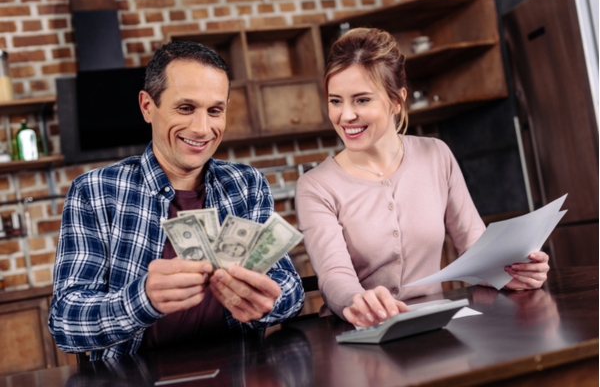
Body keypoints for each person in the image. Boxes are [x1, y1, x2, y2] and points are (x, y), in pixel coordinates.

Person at [49, 41, 305, 360]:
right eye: (185, 108)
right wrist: (143, 299)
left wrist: (269, 303)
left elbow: (292, 291)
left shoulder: (247, 184)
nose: (202, 128)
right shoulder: (95, 191)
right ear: (147, 106)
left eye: (215, 110)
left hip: (238, 372)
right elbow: (65, 323)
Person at [294, 28, 549, 328]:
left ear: (397, 101)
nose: (345, 115)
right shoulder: (315, 186)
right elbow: (334, 274)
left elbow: (475, 247)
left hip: (434, 326)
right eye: (335, 101)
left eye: (361, 100)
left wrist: (512, 272)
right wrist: (355, 301)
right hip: (358, 334)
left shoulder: (436, 154)